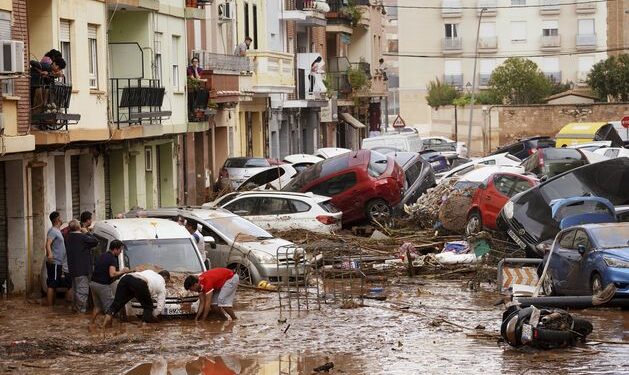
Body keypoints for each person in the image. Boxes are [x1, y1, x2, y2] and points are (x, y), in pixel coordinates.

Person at [103, 269, 170, 327]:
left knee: (117, 304)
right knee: (148, 307)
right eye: (167, 281)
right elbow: (160, 306)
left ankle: (105, 326)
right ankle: (143, 328)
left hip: (125, 278)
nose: (166, 283)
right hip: (139, 283)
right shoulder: (162, 285)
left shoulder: (150, 272)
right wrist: (153, 315)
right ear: (165, 277)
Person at [90, 240, 130, 323]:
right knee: (111, 309)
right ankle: (107, 328)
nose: (120, 252)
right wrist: (123, 271)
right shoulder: (112, 259)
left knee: (97, 307)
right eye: (120, 250)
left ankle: (91, 324)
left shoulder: (102, 255)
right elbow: (112, 274)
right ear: (115, 249)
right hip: (102, 285)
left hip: (93, 283)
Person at [65, 219, 99, 313]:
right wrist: (87, 232)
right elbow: (95, 241)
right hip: (82, 270)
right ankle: (81, 312)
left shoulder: (69, 237)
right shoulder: (81, 237)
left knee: (76, 291)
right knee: (82, 292)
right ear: (78, 227)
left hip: (73, 269)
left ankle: (76, 309)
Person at [45, 211, 71, 307]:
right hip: (55, 262)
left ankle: (52, 306)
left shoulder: (57, 230)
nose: (62, 218)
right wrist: (50, 254)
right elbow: (48, 243)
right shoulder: (53, 231)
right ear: (57, 219)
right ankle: (50, 308)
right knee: (52, 284)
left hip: (58, 262)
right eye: (60, 217)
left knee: (54, 284)